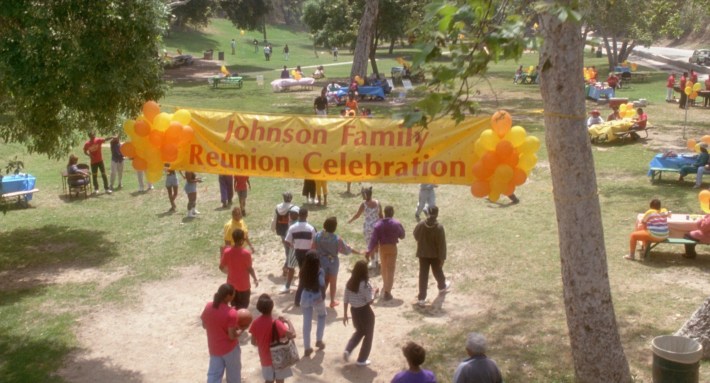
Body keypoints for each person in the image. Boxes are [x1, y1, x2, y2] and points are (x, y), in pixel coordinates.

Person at [249, 294, 296, 383]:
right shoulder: (276, 323)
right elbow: (292, 335)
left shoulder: (255, 323)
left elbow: (253, 342)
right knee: (280, 381)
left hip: (265, 358)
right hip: (279, 357)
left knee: (268, 380)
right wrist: (287, 321)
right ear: (272, 307)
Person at [314, 217, 360, 308]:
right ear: (334, 228)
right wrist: (358, 252)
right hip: (333, 262)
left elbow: (314, 246)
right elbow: (347, 250)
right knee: (333, 281)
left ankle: (319, 298)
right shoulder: (337, 239)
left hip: (321, 260)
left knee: (323, 280)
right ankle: (332, 301)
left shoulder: (318, 235)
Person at [201, 283, 242, 383]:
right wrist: (242, 329)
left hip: (214, 348)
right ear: (228, 296)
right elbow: (232, 336)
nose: (234, 296)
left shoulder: (208, 306)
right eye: (233, 294)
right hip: (230, 349)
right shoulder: (231, 313)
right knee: (234, 377)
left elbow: (204, 325)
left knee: (214, 376)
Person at [413, 206, 451, 307]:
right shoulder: (439, 227)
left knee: (423, 275)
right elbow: (442, 244)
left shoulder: (421, 224)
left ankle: (421, 298)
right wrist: (442, 258)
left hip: (423, 254)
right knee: (438, 271)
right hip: (435, 255)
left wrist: (421, 242)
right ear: (437, 214)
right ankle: (442, 286)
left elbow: (415, 234)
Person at [343, 260, 378, 366]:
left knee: (359, 332)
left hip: (354, 311)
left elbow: (345, 299)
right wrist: (375, 292)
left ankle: (348, 349)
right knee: (368, 335)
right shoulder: (364, 284)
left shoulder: (350, 282)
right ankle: (361, 359)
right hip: (365, 312)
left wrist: (345, 314)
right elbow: (370, 300)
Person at [367, 206, 405, 301]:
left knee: (384, 268)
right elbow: (402, 235)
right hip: (392, 247)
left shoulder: (378, 224)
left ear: (384, 213)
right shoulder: (396, 223)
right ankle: (387, 292)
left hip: (382, 248)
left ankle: (385, 285)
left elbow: (373, 240)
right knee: (391, 269)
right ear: (392, 212)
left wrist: (369, 250)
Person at [283, 207, 317, 305]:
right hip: (308, 253)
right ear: (307, 215)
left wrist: (293, 246)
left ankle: (300, 297)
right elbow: (315, 242)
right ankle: (299, 298)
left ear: (299, 215)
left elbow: (286, 241)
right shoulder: (310, 228)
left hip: (298, 253)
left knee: (303, 272)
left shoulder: (293, 227)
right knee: (305, 274)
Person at [220, 229, 258, 309]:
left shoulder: (227, 252)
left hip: (231, 285)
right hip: (244, 285)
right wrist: (255, 278)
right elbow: (250, 269)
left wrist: (229, 272)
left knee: (234, 307)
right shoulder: (246, 253)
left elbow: (221, 267)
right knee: (244, 307)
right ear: (242, 240)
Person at [348, 186, 383, 269]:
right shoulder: (378, 202)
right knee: (376, 244)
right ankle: (376, 261)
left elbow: (357, 215)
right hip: (377, 227)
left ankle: (373, 262)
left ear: (365, 195)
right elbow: (381, 215)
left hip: (368, 228)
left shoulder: (364, 204)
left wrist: (351, 220)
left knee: (370, 245)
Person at [299, 250, 326, 357]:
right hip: (316, 296)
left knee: (307, 322)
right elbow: (322, 284)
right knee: (322, 315)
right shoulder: (320, 271)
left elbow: (301, 284)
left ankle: (307, 347)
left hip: (305, 295)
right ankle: (319, 340)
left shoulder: (302, 270)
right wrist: (323, 294)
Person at [272, 192, 294, 273]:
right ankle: (286, 266)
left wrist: (273, 228)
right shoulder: (292, 208)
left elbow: (275, 219)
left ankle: (288, 266)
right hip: (289, 231)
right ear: (291, 198)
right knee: (290, 249)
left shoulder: (278, 207)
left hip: (281, 230)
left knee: (286, 248)